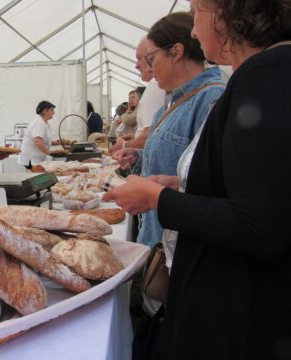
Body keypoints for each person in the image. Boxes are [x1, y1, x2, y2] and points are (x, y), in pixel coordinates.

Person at [103, 1, 291, 359]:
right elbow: (244, 183)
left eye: (197, 11)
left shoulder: (265, 77)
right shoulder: (260, 76)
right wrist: (175, 184)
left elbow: (259, 224)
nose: (193, 30)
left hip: (236, 311)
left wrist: (160, 198)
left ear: (229, 12)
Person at [110, 11, 225, 249]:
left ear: (176, 53)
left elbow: (212, 188)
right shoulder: (171, 102)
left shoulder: (211, 99)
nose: (149, 69)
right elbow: (175, 158)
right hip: (157, 232)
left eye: (150, 59)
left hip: (182, 241)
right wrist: (138, 157)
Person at [111, 37, 165, 152]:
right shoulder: (156, 87)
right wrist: (136, 137)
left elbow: (149, 137)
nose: (136, 65)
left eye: (140, 58)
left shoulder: (155, 87)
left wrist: (125, 145)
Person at [18, 100, 60, 168]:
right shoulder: (39, 123)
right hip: (31, 159)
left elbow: (42, 139)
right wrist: (50, 153)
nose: (54, 113)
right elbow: (38, 141)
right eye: (52, 110)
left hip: (37, 159)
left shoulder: (45, 123)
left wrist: (54, 143)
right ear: (45, 111)